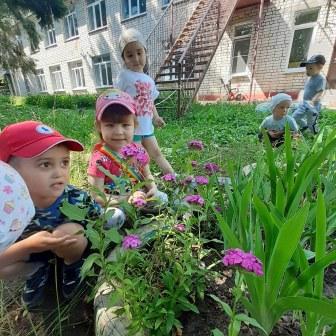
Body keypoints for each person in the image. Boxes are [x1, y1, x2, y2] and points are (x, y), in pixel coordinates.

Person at [0, 121, 101, 308]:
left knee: (72, 234)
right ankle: (35, 271)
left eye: (64, 162)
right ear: (8, 171)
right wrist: (29, 246)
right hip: (30, 252)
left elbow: (99, 219)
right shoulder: (7, 209)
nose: (59, 173)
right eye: (45, 164)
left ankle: (72, 267)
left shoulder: (76, 198)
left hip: (66, 246)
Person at [87, 88, 168, 209]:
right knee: (114, 217)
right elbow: (96, 196)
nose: (118, 132)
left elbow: (147, 175)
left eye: (125, 125)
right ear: (99, 127)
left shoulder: (138, 151)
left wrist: (153, 188)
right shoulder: (99, 159)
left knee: (161, 198)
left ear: (135, 126)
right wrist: (126, 199)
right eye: (110, 125)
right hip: (114, 203)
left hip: (140, 198)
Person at [116, 28, 174, 175]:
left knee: (157, 154)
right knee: (137, 160)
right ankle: (145, 188)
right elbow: (117, 98)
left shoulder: (149, 80)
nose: (136, 58)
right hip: (132, 130)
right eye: (130, 55)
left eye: (139, 53)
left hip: (147, 129)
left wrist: (156, 117)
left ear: (145, 53)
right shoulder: (124, 76)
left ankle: (174, 178)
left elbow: (150, 102)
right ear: (124, 59)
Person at [292, 54, 327, 134]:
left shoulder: (321, 79)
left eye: (310, 68)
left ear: (320, 67)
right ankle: (304, 126)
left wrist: (313, 100)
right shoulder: (310, 78)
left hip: (313, 105)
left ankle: (315, 135)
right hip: (304, 103)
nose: (307, 70)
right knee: (295, 117)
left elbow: (320, 91)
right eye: (307, 68)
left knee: (311, 122)